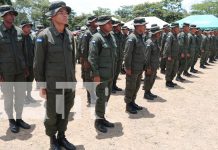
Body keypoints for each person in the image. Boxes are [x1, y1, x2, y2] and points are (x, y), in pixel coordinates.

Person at [33, 1, 76, 150]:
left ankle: (62, 137)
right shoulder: (43, 36)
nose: (65, 15)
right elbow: (38, 63)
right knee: (52, 115)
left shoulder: (70, 35)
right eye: (61, 13)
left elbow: (72, 60)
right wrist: (42, 86)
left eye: (66, 13)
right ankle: (52, 140)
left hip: (69, 82)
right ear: (52, 16)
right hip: (53, 84)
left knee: (65, 111)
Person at [0, 5, 31, 133]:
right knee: (8, 97)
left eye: (13, 14)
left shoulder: (19, 31)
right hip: (5, 72)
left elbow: (24, 51)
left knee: (19, 96)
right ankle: (11, 120)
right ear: (3, 16)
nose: (12, 16)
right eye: (9, 14)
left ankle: (19, 118)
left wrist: (26, 67)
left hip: (20, 71)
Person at [88, 15, 117, 133]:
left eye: (111, 23)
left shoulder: (111, 37)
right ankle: (98, 121)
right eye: (108, 23)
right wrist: (95, 75)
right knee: (100, 98)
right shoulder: (96, 38)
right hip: (100, 76)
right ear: (101, 25)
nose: (111, 25)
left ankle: (102, 117)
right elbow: (92, 58)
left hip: (110, 74)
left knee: (106, 97)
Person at [124, 17, 147, 114]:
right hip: (132, 68)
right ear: (138, 26)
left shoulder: (140, 37)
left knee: (136, 86)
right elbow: (127, 54)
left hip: (139, 68)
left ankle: (133, 102)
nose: (145, 27)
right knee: (130, 87)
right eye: (144, 25)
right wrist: (127, 67)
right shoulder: (132, 37)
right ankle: (128, 105)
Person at [80, 16, 98, 105]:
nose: (97, 22)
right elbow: (83, 48)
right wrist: (85, 61)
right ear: (91, 22)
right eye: (95, 21)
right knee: (89, 79)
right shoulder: (87, 33)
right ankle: (90, 97)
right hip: (88, 60)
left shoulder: (97, 32)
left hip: (96, 60)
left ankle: (94, 96)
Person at [143, 24, 162, 100]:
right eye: (158, 33)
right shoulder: (149, 42)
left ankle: (149, 91)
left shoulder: (155, 42)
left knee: (152, 79)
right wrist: (148, 67)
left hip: (154, 65)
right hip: (150, 66)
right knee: (148, 79)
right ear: (155, 33)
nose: (160, 34)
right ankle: (146, 93)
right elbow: (147, 57)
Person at [20, 20, 37, 104]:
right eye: (27, 26)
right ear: (22, 27)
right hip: (22, 65)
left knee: (30, 81)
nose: (29, 28)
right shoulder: (18, 37)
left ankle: (29, 96)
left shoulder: (32, 38)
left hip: (31, 64)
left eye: (30, 26)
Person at [163, 23, 180, 88]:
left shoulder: (175, 35)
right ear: (174, 28)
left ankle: (171, 80)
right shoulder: (170, 35)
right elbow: (167, 46)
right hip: (171, 56)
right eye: (177, 28)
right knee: (169, 69)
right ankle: (168, 81)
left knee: (174, 69)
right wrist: (169, 56)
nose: (178, 29)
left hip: (175, 56)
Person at [111, 20, 124, 93]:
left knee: (117, 72)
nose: (120, 27)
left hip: (120, 56)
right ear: (115, 26)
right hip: (114, 57)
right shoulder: (111, 34)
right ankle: (110, 87)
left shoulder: (120, 34)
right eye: (119, 25)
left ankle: (114, 85)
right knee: (112, 72)